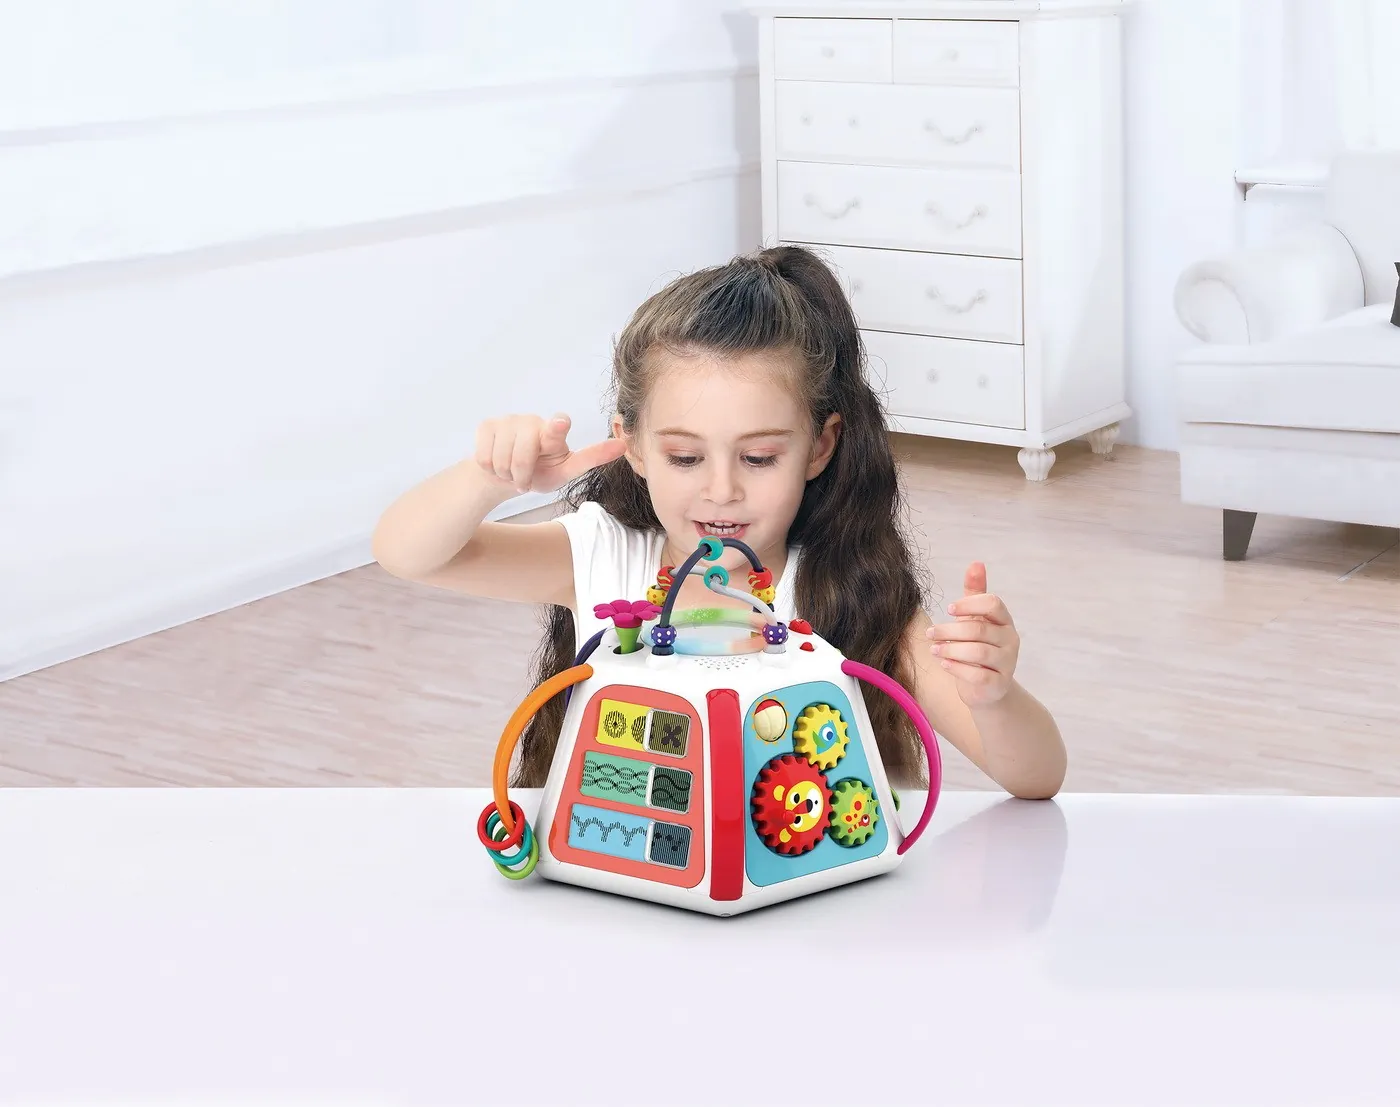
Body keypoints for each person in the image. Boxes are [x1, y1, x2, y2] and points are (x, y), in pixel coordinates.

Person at [372, 245, 1065, 800]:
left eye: (759, 457)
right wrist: (488, 478)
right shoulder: (606, 556)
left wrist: (993, 696)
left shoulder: (850, 590)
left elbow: (1035, 777)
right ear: (632, 445)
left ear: (819, 446)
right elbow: (408, 553)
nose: (722, 490)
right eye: (685, 457)